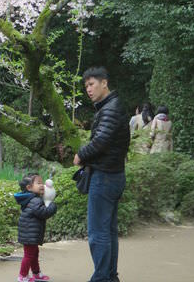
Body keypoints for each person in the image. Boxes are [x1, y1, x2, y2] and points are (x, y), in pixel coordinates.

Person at [74, 66, 130, 282]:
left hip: (105, 177)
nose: (88, 89)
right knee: (108, 231)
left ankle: (102, 278)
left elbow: (101, 141)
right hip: (114, 175)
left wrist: (81, 155)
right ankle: (109, 276)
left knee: (98, 233)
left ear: (104, 83)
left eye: (91, 84)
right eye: (86, 85)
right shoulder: (111, 106)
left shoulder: (110, 109)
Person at [14, 172, 57, 282]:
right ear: (29, 187)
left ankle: (36, 274)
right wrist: (52, 204)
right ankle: (22, 276)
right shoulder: (35, 200)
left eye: (42, 183)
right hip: (30, 234)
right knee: (29, 255)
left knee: (34, 254)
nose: (42, 185)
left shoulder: (32, 199)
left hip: (30, 233)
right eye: (38, 183)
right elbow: (43, 213)